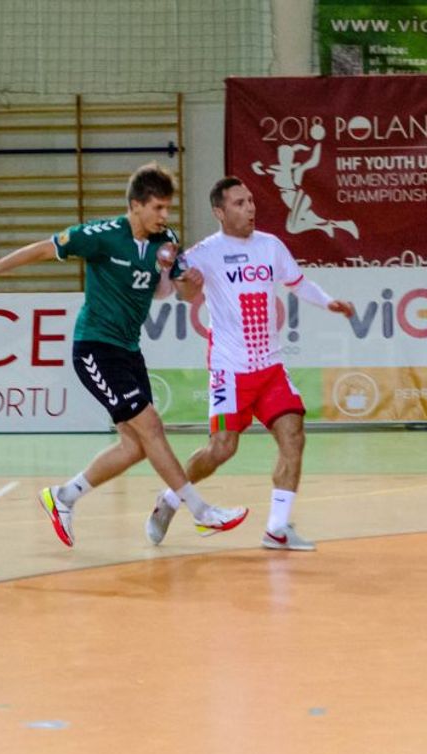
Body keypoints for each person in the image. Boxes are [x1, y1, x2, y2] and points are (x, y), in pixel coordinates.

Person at [0, 163, 247, 547]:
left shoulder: (166, 240)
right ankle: (201, 511)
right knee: (151, 427)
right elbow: (44, 248)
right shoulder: (102, 235)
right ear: (136, 205)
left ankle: (64, 496)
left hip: (129, 349)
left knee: (135, 446)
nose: (165, 215)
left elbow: (179, 293)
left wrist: (191, 284)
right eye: (158, 207)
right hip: (95, 347)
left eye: (168, 207)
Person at [146, 175, 356, 551]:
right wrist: (185, 279)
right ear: (219, 212)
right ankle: (171, 498)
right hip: (230, 369)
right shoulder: (205, 252)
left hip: (270, 367)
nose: (250, 208)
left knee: (293, 435)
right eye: (239, 203)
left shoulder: (270, 246)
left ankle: (277, 528)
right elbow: (181, 292)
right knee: (222, 448)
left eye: (251, 201)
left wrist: (328, 302)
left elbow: (298, 283)